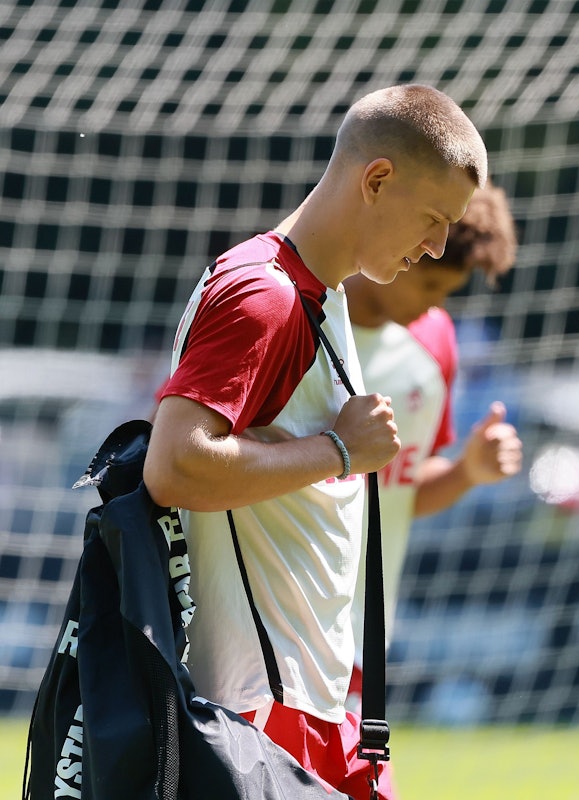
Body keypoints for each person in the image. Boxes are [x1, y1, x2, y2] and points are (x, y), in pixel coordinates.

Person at [142, 84, 488, 799]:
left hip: (312, 698)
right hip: (260, 703)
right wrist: (338, 452)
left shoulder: (322, 291)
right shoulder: (262, 295)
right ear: (377, 180)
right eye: (432, 219)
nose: (436, 247)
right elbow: (173, 466)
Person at [342, 181, 523, 705]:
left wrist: (468, 471)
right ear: (403, 254)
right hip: (268, 636)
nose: (437, 306)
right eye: (431, 287)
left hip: (360, 639)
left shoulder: (435, 340)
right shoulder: (299, 322)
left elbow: (401, 492)